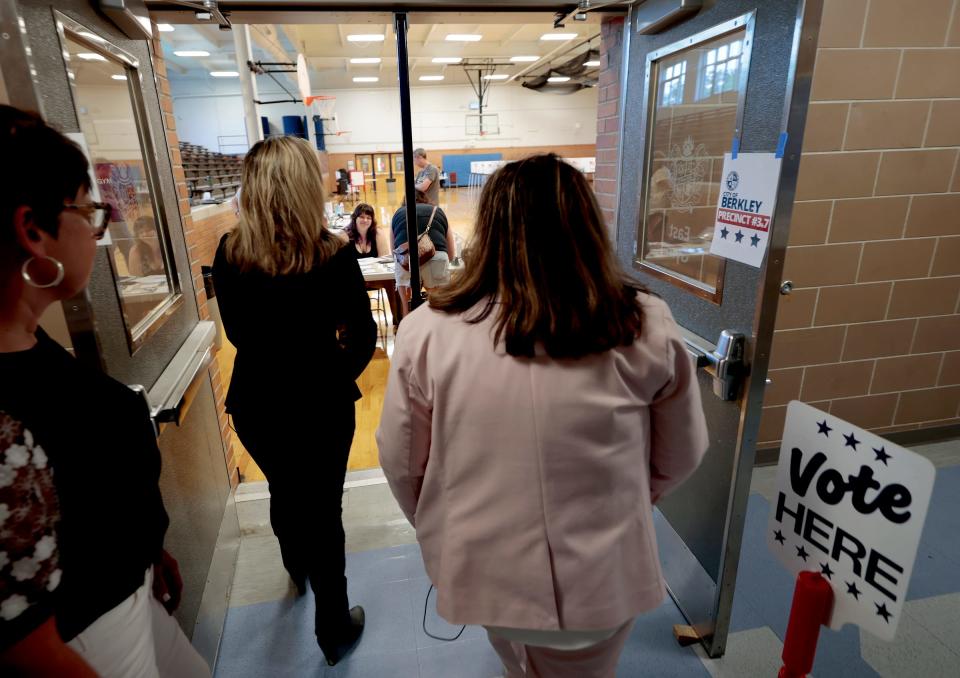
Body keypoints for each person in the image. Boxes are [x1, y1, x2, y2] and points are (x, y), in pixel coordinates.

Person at [377, 154, 708, 678]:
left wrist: (447, 523)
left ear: (489, 230)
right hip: (605, 572)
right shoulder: (644, 323)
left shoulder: (428, 331)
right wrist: (624, 498)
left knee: (518, 662)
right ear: (587, 227)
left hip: (489, 568)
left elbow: (400, 462)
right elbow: (682, 452)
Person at [0, 105, 209, 677]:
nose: (97, 230)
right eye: (86, 210)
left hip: (128, 591)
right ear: (32, 230)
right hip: (82, 637)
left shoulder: (29, 344)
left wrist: (148, 549)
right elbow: (19, 634)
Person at [212, 135, 376, 667]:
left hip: (257, 402)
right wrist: (330, 371)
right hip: (321, 403)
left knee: (284, 488)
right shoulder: (332, 253)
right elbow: (362, 334)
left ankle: (295, 563)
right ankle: (332, 628)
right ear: (303, 185)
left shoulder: (230, 252)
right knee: (325, 507)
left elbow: (236, 332)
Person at [390, 190, 456, 317]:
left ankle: (409, 335)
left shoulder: (398, 213)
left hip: (406, 262)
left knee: (407, 308)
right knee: (440, 308)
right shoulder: (437, 211)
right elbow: (451, 252)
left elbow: (393, 251)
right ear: (425, 199)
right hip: (436, 258)